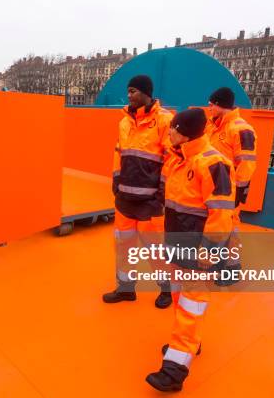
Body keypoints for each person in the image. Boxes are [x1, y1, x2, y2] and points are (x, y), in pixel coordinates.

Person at [146, 108, 235, 392]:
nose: (168, 131)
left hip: (198, 253)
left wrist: (209, 253)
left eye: (173, 127)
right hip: (177, 247)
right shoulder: (178, 160)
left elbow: (221, 213)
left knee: (190, 308)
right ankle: (185, 345)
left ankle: (174, 371)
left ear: (183, 132)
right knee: (179, 299)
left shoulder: (213, 163)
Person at [102, 75, 174, 309]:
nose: (129, 95)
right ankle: (125, 289)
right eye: (128, 91)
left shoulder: (165, 120)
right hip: (125, 200)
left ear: (146, 93)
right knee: (123, 246)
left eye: (133, 91)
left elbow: (172, 158)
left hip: (150, 202)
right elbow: (117, 153)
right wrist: (115, 181)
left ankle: (166, 289)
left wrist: (162, 192)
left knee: (156, 249)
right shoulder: (124, 122)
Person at [207, 87, 257, 284]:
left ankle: (232, 267)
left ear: (220, 104)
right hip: (213, 189)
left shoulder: (241, 129)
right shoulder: (213, 127)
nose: (209, 107)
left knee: (230, 227)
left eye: (211, 104)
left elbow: (247, 162)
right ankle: (219, 263)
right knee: (217, 226)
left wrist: (238, 190)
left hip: (230, 190)